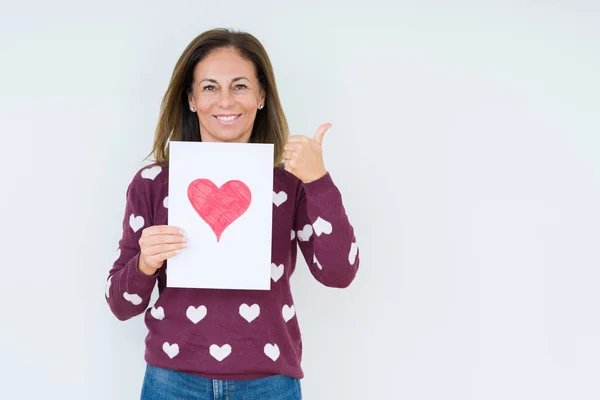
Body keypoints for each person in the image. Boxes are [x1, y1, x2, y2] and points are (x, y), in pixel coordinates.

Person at [105, 28, 360, 400]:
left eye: (239, 86)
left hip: (269, 381)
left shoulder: (291, 183)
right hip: (172, 380)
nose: (225, 100)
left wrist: (318, 180)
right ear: (191, 99)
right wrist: (145, 263)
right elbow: (119, 304)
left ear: (261, 96)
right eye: (209, 87)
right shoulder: (154, 182)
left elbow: (339, 273)